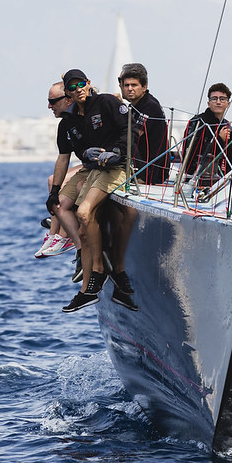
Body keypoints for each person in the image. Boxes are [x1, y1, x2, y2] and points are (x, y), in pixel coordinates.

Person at [45, 69, 132, 312]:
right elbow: (73, 154)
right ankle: (86, 284)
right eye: (72, 87)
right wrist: (54, 191)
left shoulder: (105, 102)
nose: (78, 89)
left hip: (116, 166)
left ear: (89, 84)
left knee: (84, 213)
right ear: (68, 93)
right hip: (94, 168)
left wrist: (116, 152)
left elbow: (129, 128)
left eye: (81, 84)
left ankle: (99, 270)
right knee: (72, 219)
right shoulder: (72, 120)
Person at [35, 82, 82, 259]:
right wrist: (53, 192)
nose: (49, 106)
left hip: (98, 164)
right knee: (52, 180)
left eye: (52, 101)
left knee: (65, 184)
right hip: (87, 164)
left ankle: (64, 236)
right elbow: (63, 157)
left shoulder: (83, 115)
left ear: (68, 100)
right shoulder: (65, 124)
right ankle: (54, 235)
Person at [118, 63, 169, 184]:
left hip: (150, 173)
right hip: (138, 168)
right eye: (126, 85)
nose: (129, 88)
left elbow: (133, 136)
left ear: (144, 87)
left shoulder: (150, 105)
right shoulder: (136, 105)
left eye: (134, 85)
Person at [180, 83, 232, 186]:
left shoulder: (227, 125)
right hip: (196, 178)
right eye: (214, 99)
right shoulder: (198, 122)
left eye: (222, 99)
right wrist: (219, 139)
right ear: (208, 103)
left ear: (228, 103)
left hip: (222, 180)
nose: (218, 102)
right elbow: (191, 152)